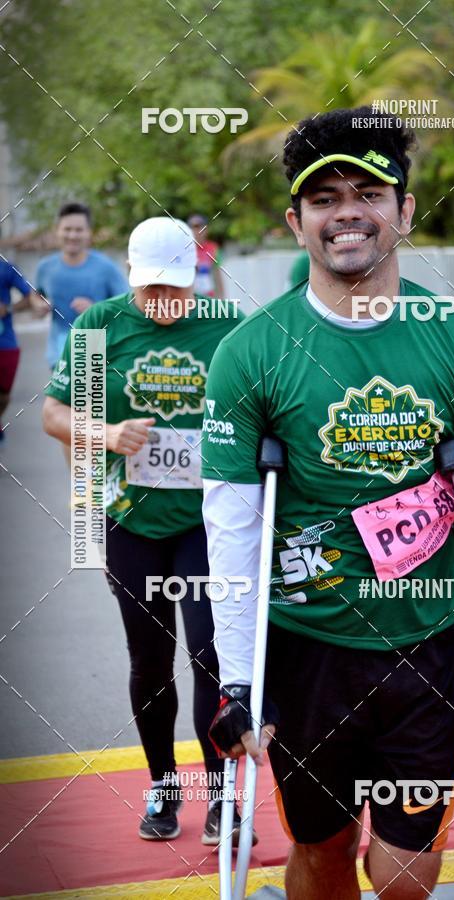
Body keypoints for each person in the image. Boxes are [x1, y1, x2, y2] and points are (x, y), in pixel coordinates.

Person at [201, 108, 454, 900]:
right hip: (305, 654)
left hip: (430, 650)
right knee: (325, 858)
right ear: (295, 222)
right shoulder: (249, 355)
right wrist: (237, 683)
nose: (347, 213)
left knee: (404, 879)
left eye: (368, 192)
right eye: (325, 197)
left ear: (404, 210)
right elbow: (231, 530)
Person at [42, 217, 249, 845]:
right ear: (130, 275)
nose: (165, 303)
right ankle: (163, 785)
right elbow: (53, 413)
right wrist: (104, 434)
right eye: (153, 289)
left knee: (212, 654)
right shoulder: (100, 326)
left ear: (196, 278)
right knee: (150, 660)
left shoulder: (229, 325)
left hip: (209, 522)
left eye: (178, 290)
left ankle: (222, 794)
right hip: (131, 519)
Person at [35, 202, 128, 369]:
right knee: (58, 396)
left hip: (92, 353)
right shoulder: (45, 267)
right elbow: (36, 294)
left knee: (85, 396)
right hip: (57, 355)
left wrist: (96, 310)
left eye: (79, 230)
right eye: (67, 229)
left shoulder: (107, 268)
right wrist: (39, 305)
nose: (72, 235)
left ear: (89, 233)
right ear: (57, 230)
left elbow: (127, 307)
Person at [0, 258, 35, 442]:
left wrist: (9, 308)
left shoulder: (6, 267)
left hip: (5, 342)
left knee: (4, 393)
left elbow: (31, 296)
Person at [187, 214, 225, 299]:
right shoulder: (185, 250)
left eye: (199, 227)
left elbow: (217, 276)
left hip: (209, 298)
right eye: (193, 227)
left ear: (206, 229)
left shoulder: (213, 248)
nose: (196, 231)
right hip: (191, 299)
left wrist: (221, 300)